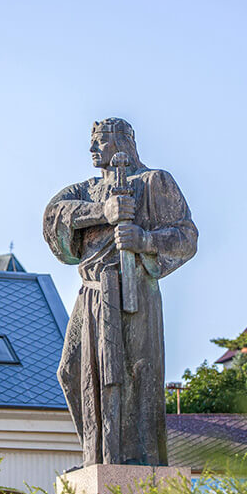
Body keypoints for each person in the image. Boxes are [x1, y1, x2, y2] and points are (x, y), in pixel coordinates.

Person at [43, 117, 198, 466]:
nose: (92, 148)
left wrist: (145, 240)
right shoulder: (85, 191)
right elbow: (53, 216)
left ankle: (133, 460)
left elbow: (186, 237)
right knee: (72, 372)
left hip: (134, 292)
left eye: (99, 140)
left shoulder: (154, 182)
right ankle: (96, 454)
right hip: (92, 293)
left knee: (132, 374)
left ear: (122, 142)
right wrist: (104, 211)